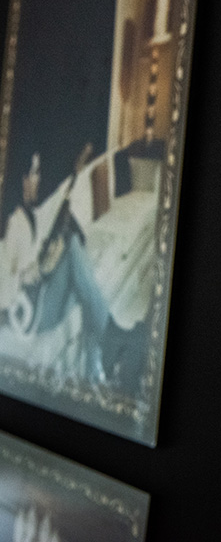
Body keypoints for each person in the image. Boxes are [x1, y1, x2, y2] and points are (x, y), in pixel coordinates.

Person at [0, 151, 112, 385]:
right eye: (33, 174)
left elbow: (57, 208)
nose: (37, 181)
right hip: (31, 314)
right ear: (21, 180)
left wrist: (76, 175)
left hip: (41, 298)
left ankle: (94, 358)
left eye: (39, 174)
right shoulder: (13, 223)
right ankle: (105, 335)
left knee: (76, 269)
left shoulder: (33, 215)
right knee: (71, 247)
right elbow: (4, 292)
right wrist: (33, 273)